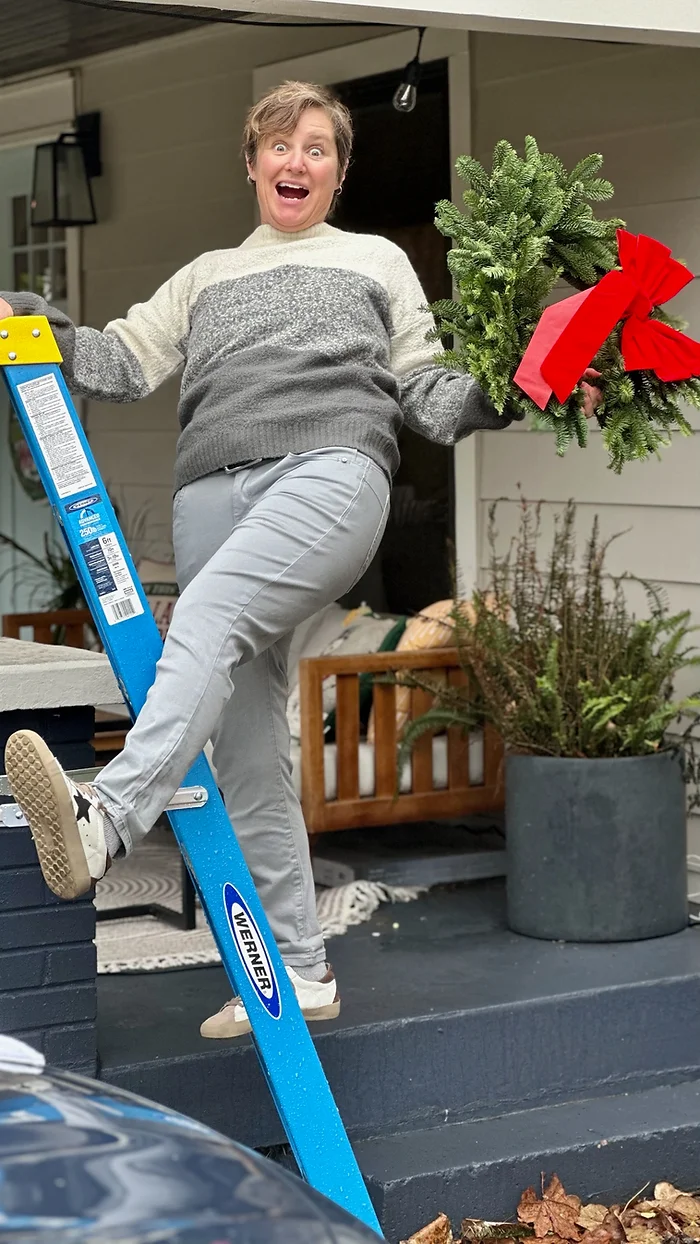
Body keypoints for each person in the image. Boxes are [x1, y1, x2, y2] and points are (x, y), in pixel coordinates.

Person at [1, 81, 602, 1039]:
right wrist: (36, 320)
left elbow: (432, 395)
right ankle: (301, 967)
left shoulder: (375, 261)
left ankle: (106, 817)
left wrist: (524, 382)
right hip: (211, 499)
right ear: (251, 164)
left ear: (339, 171)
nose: (296, 163)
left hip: (330, 475)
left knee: (199, 621)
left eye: (317, 149)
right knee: (243, 750)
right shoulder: (204, 277)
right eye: (280, 146)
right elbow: (115, 362)